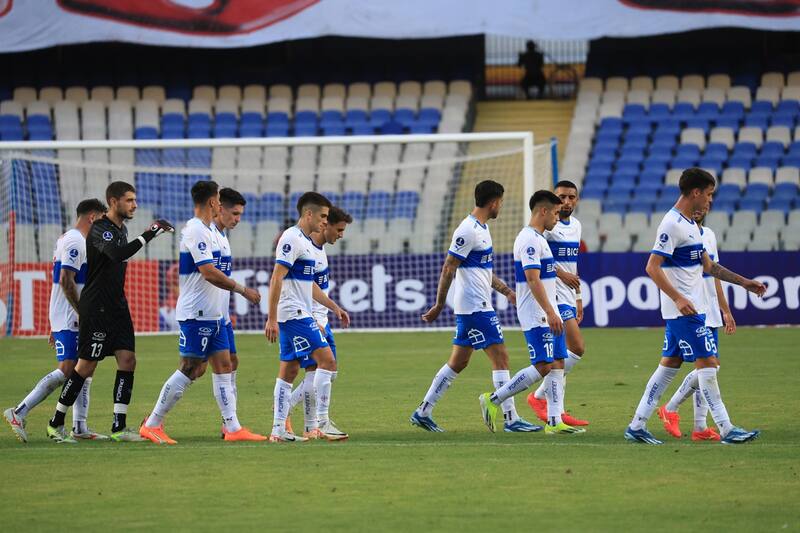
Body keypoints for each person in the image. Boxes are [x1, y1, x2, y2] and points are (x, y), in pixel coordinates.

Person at [624, 168, 765, 445]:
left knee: (669, 366)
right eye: (709, 194)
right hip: (683, 311)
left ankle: (637, 425)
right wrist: (677, 297)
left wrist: (744, 283)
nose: (710, 201)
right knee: (708, 364)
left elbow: (709, 267)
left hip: (693, 308)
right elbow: (652, 267)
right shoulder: (672, 224)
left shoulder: (691, 225)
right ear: (696, 192)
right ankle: (726, 428)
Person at [45, 181, 174, 443]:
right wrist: (150, 233)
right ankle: (55, 422)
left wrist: (146, 234)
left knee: (128, 360)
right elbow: (116, 254)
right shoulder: (100, 229)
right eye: (129, 200)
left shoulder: (121, 229)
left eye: (135, 200)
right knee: (85, 366)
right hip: (97, 307)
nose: (134, 205)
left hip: (117, 305)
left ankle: (118, 426)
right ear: (113, 202)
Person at [410, 180, 539, 433]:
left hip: (475, 306)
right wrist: (438, 304)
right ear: (493, 202)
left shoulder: (481, 229)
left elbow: (482, 272)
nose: (500, 206)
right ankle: (511, 419)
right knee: (501, 358)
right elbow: (449, 267)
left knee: (458, 362)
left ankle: (423, 411)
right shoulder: (467, 230)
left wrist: (507, 292)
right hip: (475, 307)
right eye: (500, 202)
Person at [139, 181, 263, 444]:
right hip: (197, 313)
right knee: (190, 367)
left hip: (216, 315)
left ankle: (232, 428)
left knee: (225, 364)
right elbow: (208, 272)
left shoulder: (216, 234)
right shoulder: (195, 230)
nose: (220, 203)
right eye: (219, 199)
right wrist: (242, 290)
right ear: (212, 202)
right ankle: (152, 423)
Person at [479, 190, 585, 435]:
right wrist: (550, 311)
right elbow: (532, 279)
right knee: (543, 366)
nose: (558, 218)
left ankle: (554, 420)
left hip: (550, 310)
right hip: (537, 313)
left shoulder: (540, 239)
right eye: (556, 213)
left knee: (558, 361)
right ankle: (493, 399)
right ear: (543, 211)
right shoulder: (527, 239)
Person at [4, 199, 107, 442]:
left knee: (86, 368)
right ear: (92, 217)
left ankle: (80, 427)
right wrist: (82, 312)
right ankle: (19, 411)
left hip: (68, 314)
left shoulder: (70, 239)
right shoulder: (74, 239)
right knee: (68, 369)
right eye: (102, 219)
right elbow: (64, 280)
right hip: (71, 315)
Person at [265, 192, 351, 443]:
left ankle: (278, 429)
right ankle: (321, 422)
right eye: (323, 216)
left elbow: (309, 285)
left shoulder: (305, 243)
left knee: (290, 371)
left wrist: (334, 306)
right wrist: (271, 318)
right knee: (327, 361)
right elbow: (276, 277)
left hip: (298, 312)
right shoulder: (291, 238)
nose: (325, 221)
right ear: (309, 214)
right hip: (293, 313)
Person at [657, 207, 736, 442]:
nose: (700, 211)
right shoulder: (679, 231)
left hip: (709, 308)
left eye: (706, 206)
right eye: (697, 207)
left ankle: (699, 426)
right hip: (692, 309)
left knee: (708, 367)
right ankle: (671, 409)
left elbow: (715, 274)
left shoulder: (709, 235)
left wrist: (725, 309)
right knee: (708, 366)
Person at [287, 205, 353, 439]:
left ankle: (293, 414)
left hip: (320, 318)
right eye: (339, 229)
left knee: (324, 373)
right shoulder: (308, 250)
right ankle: (318, 422)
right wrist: (316, 319)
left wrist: (333, 308)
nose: (341, 235)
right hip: (310, 318)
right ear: (326, 225)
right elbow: (306, 288)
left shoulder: (320, 249)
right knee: (321, 368)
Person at [528, 180, 589, 426]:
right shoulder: (547, 226)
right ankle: (542, 398)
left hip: (567, 296)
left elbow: (573, 266)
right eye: (562, 197)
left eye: (571, 197)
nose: (566, 202)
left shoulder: (576, 226)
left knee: (563, 353)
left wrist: (578, 298)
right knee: (576, 347)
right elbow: (537, 257)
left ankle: (552, 406)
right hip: (551, 295)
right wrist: (561, 275)